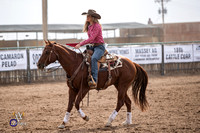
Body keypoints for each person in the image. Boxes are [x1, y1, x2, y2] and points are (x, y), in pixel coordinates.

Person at [75, 9, 105, 88]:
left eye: (89, 16)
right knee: (83, 57)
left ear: (93, 17)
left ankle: (94, 80)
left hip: (99, 47)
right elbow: (91, 40)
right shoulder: (89, 26)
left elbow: (91, 39)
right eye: (87, 16)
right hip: (93, 46)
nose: (87, 17)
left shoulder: (97, 26)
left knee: (94, 58)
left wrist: (80, 44)